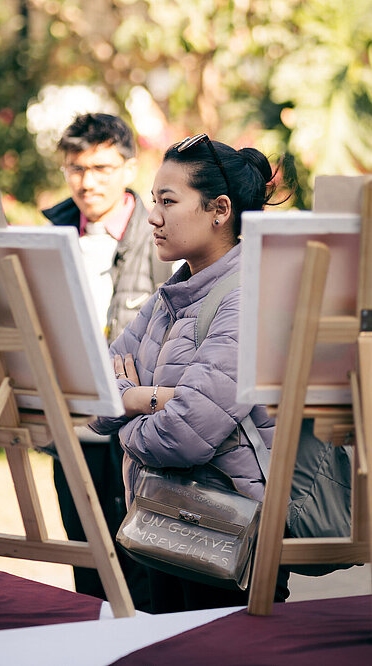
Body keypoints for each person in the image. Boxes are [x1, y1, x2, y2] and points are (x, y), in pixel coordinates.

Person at [90, 133, 290, 613]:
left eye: (168, 201)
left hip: (230, 537)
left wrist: (128, 407)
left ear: (219, 210)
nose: (152, 216)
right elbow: (92, 393)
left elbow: (181, 435)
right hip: (164, 522)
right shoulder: (171, 296)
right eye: (152, 200)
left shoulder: (248, 299)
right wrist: (147, 398)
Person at [42, 113, 172, 610]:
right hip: (71, 420)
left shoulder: (161, 235)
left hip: (135, 425)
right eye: (75, 168)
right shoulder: (50, 232)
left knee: (140, 557)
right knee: (84, 557)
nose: (87, 180)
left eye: (100, 167)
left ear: (128, 167)